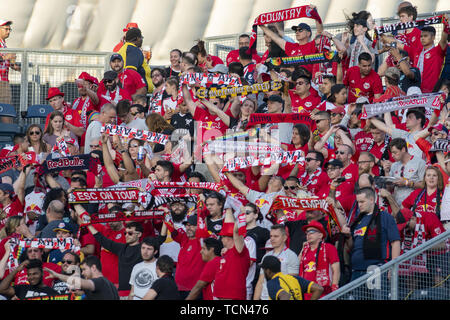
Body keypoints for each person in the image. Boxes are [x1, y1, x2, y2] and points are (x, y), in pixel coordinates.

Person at [342, 187, 401, 298]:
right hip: (357, 269)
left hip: (376, 268)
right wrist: (348, 236)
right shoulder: (357, 220)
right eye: (358, 202)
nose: (359, 205)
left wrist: (394, 266)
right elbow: (351, 247)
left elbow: (395, 242)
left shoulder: (385, 216)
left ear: (371, 200)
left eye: (362, 201)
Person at [75, 204, 143, 298]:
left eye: (114, 217)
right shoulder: (104, 230)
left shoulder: (129, 235)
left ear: (121, 218)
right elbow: (85, 217)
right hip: (105, 284)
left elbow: (140, 216)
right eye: (109, 217)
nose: (110, 221)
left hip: (123, 286)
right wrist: (75, 201)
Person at [259, 11, 323, 75]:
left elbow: (319, 31)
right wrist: (261, 26)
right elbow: (275, 38)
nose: (297, 32)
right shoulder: (292, 47)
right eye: (296, 31)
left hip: (308, 79)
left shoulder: (312, 45)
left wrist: (315, 15)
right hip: (294, 80)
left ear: (308, 33)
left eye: (300, 30)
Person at [253, 224, 299, 300]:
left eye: (276, 236)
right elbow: (260, 281)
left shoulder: (291, 255)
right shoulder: (266, 256)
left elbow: (292, 282)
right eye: (271, 236)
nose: (272, 239)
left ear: (284, 238)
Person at [213, 210, 250, 300]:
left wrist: (241, 214)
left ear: (227, 238)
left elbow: (237, 233)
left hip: (232, 296)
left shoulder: (239, 250)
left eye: (222, 237)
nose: (221, 239)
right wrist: (229, 210)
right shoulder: (226, 251)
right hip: (220, 295)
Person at [46, 255, 120, 300]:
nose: (82, 272)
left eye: (84, 269)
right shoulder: (109, 284)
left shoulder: (99, 281)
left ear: (93, 268)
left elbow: (80, 282)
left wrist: (57, 275)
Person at [299, 220, 340, 299]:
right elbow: (297, 266)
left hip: (324, 292)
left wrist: (335, 289)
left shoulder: (329, 247)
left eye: (312, 231)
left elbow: (336, 269)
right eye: (307, 232)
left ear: (320, 235)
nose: (308, 234)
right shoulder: (304, 251)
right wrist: (302, 250)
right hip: (306, 293)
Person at [389, 137, 426, 205]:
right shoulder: (394, 165)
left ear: (403, 149)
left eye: (395, 152)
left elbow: (424, 185)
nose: (392, 155)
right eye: (391, 153)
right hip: (397, 204)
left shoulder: (419, 162)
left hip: (414, 204)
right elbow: (390, 188)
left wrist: (407, 183)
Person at [118, 28, 153, 93]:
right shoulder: (133, 49)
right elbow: (131, 72)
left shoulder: (124, 48)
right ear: (137, 38)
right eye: (141, 38)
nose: (142, 40)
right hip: (136, 93)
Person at [0, 19, 20, 123]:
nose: (8, 31)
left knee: (6, 109)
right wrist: (6, 57)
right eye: (6, 29)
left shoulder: (3, 43)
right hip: (1, 82)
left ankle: (8, 133)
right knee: (6, 109)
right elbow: (3, 58)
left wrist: (14, 65)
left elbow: (4, 60)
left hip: (3, 80)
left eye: (9, 29)